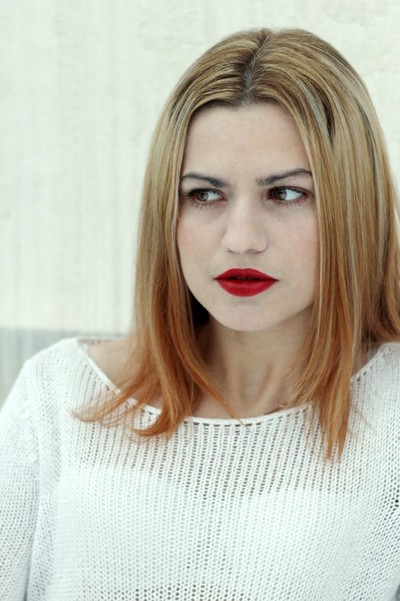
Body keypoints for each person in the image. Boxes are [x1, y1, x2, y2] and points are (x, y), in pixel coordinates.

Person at [1, 27, 400, 601]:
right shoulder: (58, 394)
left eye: (286, 193)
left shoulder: (390, 412)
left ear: (352, 206)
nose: (241, 239)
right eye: (205, 195)